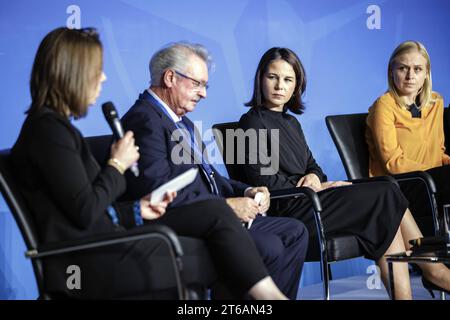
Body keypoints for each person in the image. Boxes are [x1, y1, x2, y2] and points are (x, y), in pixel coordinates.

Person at [10, 27, 289, 300]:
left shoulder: (55, 129)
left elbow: (89, 207)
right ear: (72, 73)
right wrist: (116, 164)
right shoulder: (48, 131)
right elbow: (85, 212)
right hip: (86, 264)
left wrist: (137, 208)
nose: (104, 78)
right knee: (219, 237)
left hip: (108, 245)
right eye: (96, 70)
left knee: (226, 233)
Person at [238, 47, 450, 299]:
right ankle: (432, 270)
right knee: (384, 190)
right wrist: (309, 186)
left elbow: (313, 166)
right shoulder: (250, 123)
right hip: (291, 209)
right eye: (272, 77)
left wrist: (315, 178)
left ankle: (410, 290)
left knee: (385, 195)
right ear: (260, 78)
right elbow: (263, 182)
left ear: (296, 85)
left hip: (310, 199)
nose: (279, 86)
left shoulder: (291, 122)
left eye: (288, 80)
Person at [121, 42, 308, 300]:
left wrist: (247, 190)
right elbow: (156, 189)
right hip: (183, 221)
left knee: (294, 232)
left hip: (212, 214)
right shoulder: (145, 119)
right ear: (170, 77)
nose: (203, 94)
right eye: (197, 84)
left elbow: (211, 178)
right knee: (270, 245)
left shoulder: (183, 122)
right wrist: (228, 206)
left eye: (205, 86)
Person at [366, 40, 450, 236]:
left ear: (427, 73)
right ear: (391, 71)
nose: (411, 76)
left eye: (418, 69)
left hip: (432, 181)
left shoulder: (436, 102)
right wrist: (436, 172)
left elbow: (438, 152)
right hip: (400, 185)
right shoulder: (383, 106)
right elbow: (392, 163)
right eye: (403, 68)